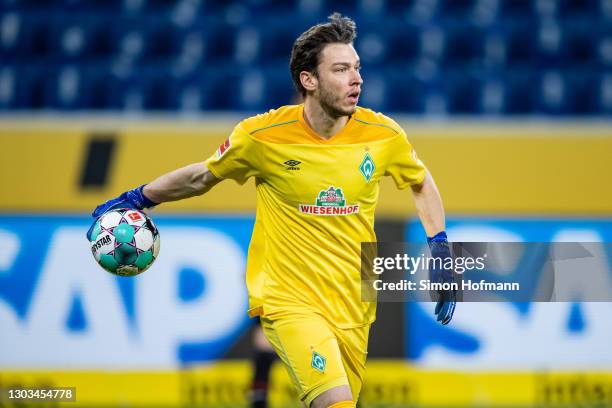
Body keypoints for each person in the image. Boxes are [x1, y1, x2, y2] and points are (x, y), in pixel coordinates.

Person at [87, 13, 455, 408]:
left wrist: (440, 246)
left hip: (353, 305)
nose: (357, 79)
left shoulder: (384, 135)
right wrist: (140, 198)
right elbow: (202, 176)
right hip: (289, 303)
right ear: (308, 80)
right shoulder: (262, 136)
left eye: (357, 68)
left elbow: (420, 180)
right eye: (342, 69)